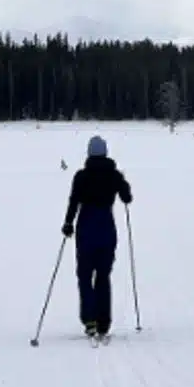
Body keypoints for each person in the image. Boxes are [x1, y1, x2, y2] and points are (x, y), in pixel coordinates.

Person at [62, 135, 132, 338]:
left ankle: (89, 319)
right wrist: (124, 186)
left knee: (84, 275)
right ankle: (104, 322)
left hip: (86, 226)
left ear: (89, 153)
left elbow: (74, 201)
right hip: (106, 227)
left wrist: (68, 223)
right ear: (106, 152)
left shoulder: (81, 176)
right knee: (103, 275)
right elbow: (127, 197)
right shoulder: (114, 175)